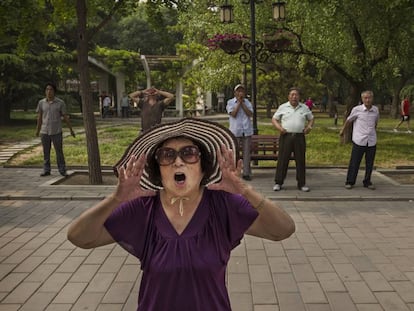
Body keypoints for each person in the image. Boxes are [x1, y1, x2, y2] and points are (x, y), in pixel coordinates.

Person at [67, 118, 295, 311]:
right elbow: (79, 237)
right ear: (159, 171)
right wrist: (116, 199)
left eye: (189, 153)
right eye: (167, 155)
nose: (178, 161)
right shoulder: (142, 209)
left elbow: (283, 230)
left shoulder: (223, 205)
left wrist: (246, 191)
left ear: (203, 167)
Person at [272, 87, 314, 192]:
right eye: (292, 95)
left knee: (300, 160)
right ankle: (278, 182)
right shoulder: (283, 107)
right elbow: (274, 119)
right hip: (286, 136)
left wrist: (309, 127)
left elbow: (311, 118)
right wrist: (279, 128)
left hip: (299, 137)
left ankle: (301, 183)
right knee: (282, 160)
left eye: (296, 95)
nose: (294, 97)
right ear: (288, 96)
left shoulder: (304, 108)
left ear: (299, 97)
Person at [340, 90, 379, 190]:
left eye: (369, 98)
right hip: (359, 140)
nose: (367, 100)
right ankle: (350, 181)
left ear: (372, 98)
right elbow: (349, 120)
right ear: (362, 99)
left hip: (371, 141)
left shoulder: (375, 110)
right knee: (355, 162)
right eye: (365, 98)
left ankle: (367, 181)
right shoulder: (357, 110)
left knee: (369, 163)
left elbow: (376, 123)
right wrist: (343, 131)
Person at [36, 82, 75, 177]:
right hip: (44, 131)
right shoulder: (41, 103)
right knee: (46, 151)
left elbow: (65, 117)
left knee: (59, 151)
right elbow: (40, 117)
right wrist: (37, 130)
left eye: (51, 89)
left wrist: (71, 129)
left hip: (56, 131)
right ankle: (46, 170)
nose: (49, 91)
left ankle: (62, 170)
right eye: (47, 89)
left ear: (54, 91)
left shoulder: (60, 103)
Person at [226, 84, 254, 181]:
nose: (240, 93)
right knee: (235, 153)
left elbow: (250, 113)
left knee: (247, 154)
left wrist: (243, 103)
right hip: (235, 131)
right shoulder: (230, 102)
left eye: (242, 91)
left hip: (246, 131)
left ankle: (246, 173)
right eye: (238, 91)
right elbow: (233, 114)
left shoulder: (248, 103)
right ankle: (234, 173)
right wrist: (238, 103)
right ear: (235, 93)